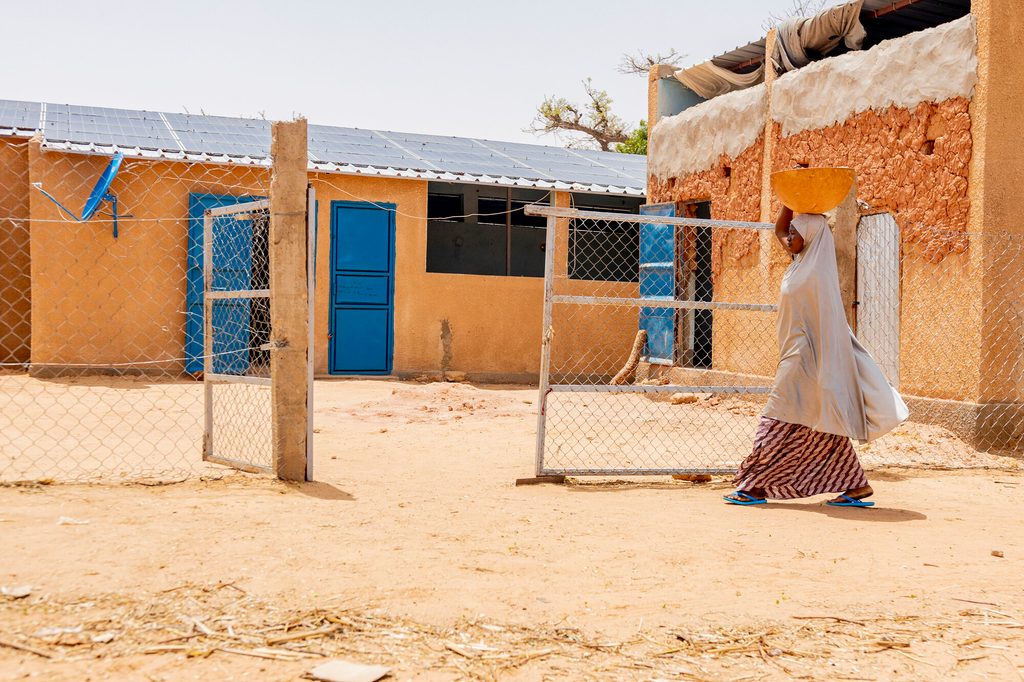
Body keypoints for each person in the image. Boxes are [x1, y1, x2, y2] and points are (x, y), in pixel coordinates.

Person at [724, 204, 908, 508]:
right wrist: (788, 201)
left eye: (797, 233)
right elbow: (780, 231)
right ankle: (856, 486)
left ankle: (753, 487)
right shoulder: (802, 261)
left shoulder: (815, 275)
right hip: (796, 355)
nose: (789, 238)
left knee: (776, 418)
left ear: (810, 237)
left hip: (804, 360)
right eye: (793, 232)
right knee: (821, 425)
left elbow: (824, 326)